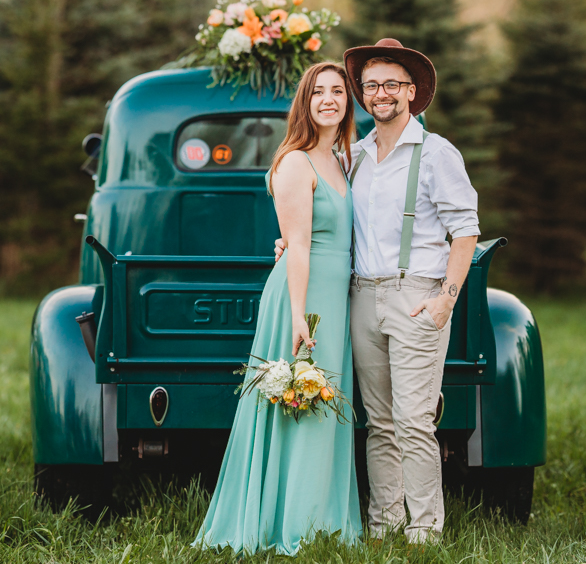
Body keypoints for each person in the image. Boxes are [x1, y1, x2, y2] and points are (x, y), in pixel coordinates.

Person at [275, 38, 480, 544]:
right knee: (380, 421)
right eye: (370, 85)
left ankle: (426, 528)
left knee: (414, 421)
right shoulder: (356, 155)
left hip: (417, 296)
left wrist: (445, 298)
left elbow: (467, 230)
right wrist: (289, 240)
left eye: (391, 84)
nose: (379, 93)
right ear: (362, 95)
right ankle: (384, 523)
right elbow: (323, 214)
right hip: (361, 297)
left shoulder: (437, 153)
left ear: (411, 91)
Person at [193, 61, 363, 556]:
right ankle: (291, 523)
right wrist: (295, 313)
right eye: (319, 92)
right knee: (298, 404)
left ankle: (323, 520)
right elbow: (300, 247)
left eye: (338, 91)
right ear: (305, 103)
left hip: (334, 296)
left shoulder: (339, 159)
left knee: (326, 407)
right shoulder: (295, 161)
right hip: (303, 299)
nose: (329, 99)